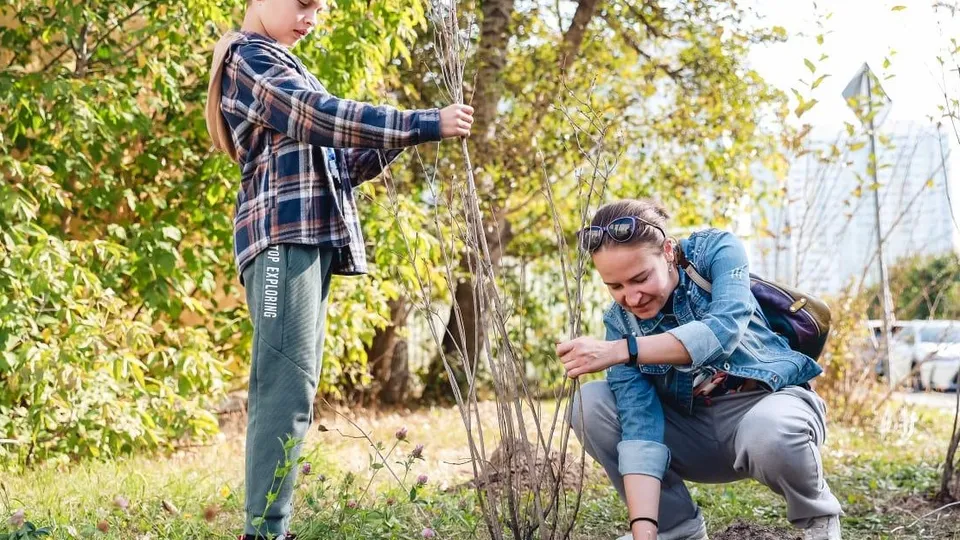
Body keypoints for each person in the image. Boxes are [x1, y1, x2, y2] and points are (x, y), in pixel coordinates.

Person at [204, 1, 474, 538]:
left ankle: (266, 528)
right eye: (303, 4)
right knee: (285, 386)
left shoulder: (282, 61)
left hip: (306, 240)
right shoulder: (248, 57)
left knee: (289, 383)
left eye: (320, 9)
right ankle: (264, 532)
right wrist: (421, 122)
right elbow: (317, 116)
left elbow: (341, 162)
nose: (312, 17)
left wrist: (399, 134)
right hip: (282, 240)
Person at [556, 199, 842, 540]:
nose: (631, 298)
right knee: (591, 404)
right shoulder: (620, 323)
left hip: (768, 408)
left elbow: (723, 331)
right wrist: (644, 530)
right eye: (615, 287)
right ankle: (675, 529)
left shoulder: (715, 251)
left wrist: (624, 351)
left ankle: (818, 522)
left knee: (770, 430)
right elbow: (639, 428)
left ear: (667, 251)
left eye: (640, 278)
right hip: (692, 433)